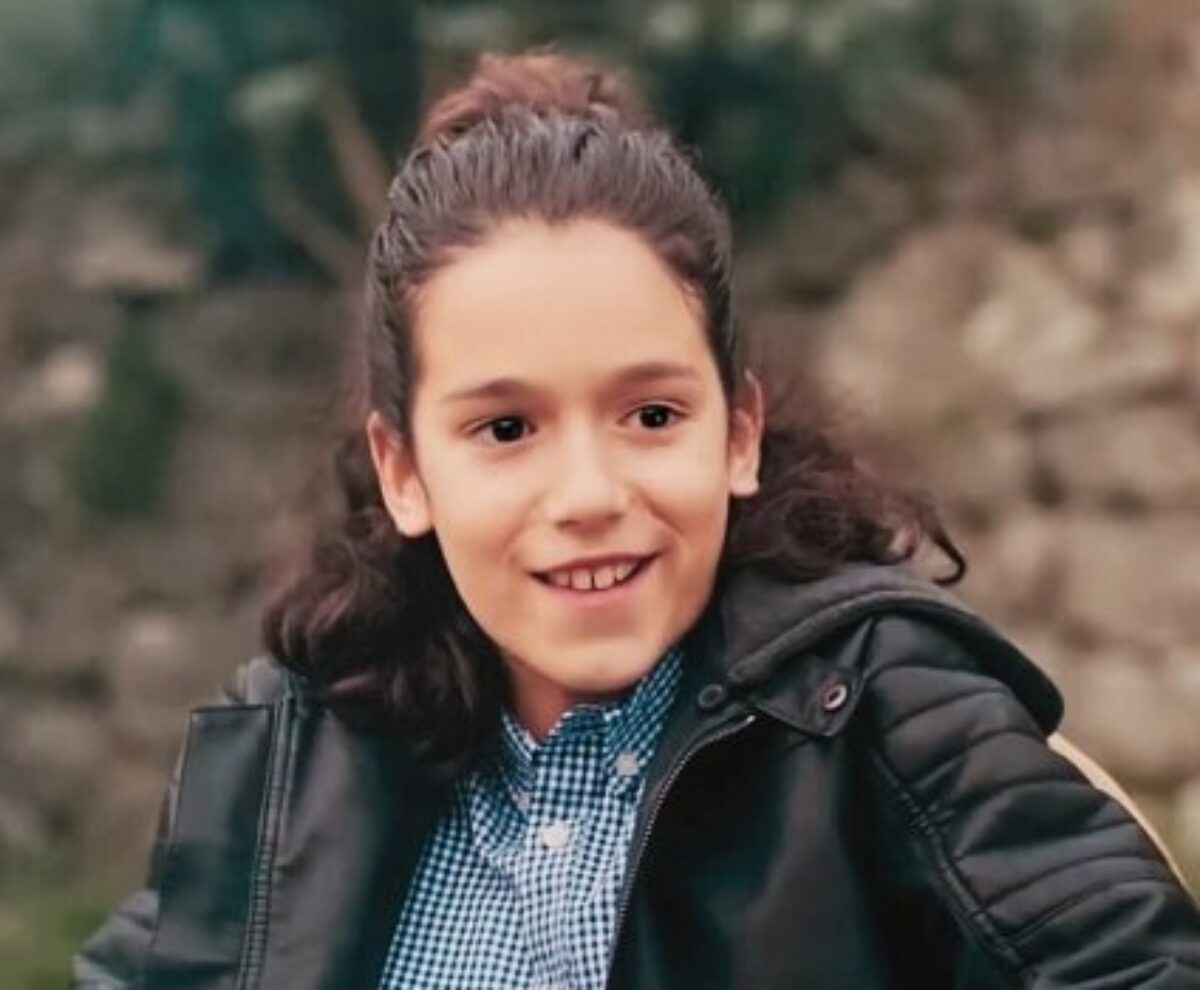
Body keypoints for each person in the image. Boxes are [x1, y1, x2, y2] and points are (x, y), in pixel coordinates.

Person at [73, 49, 1200, 989]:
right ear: (404, 470)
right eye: (506, 429)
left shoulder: (887, 716)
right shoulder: (289, 749)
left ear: (738, 432)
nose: (589, 496)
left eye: (652, 415)